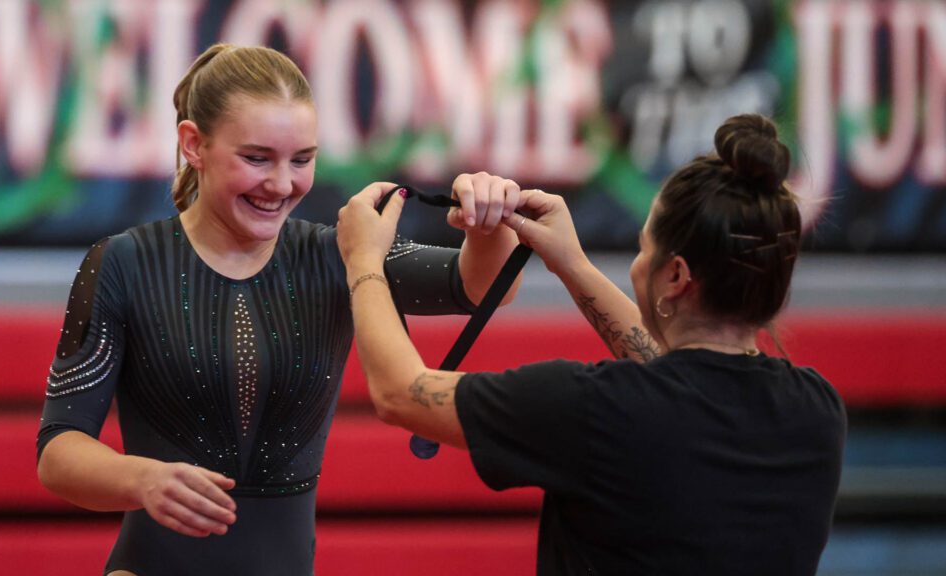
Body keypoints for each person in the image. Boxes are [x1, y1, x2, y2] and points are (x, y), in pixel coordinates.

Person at [35, 43, 525, 576]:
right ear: (194, 144)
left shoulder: (340, 254)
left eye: (302, 160)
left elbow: (483, 286)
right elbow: (59, 450)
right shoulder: (125, 263)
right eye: (256, 158)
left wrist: (489, 220)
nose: (282, 184)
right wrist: (142, 479)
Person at [338, 114, 847, 575]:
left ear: (675, 276)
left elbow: (401, 393)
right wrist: (572, 264)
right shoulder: (816, 410)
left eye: (644, 247)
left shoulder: (596, 407)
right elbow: (686, 385)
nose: (638, 264)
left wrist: (363, 259)